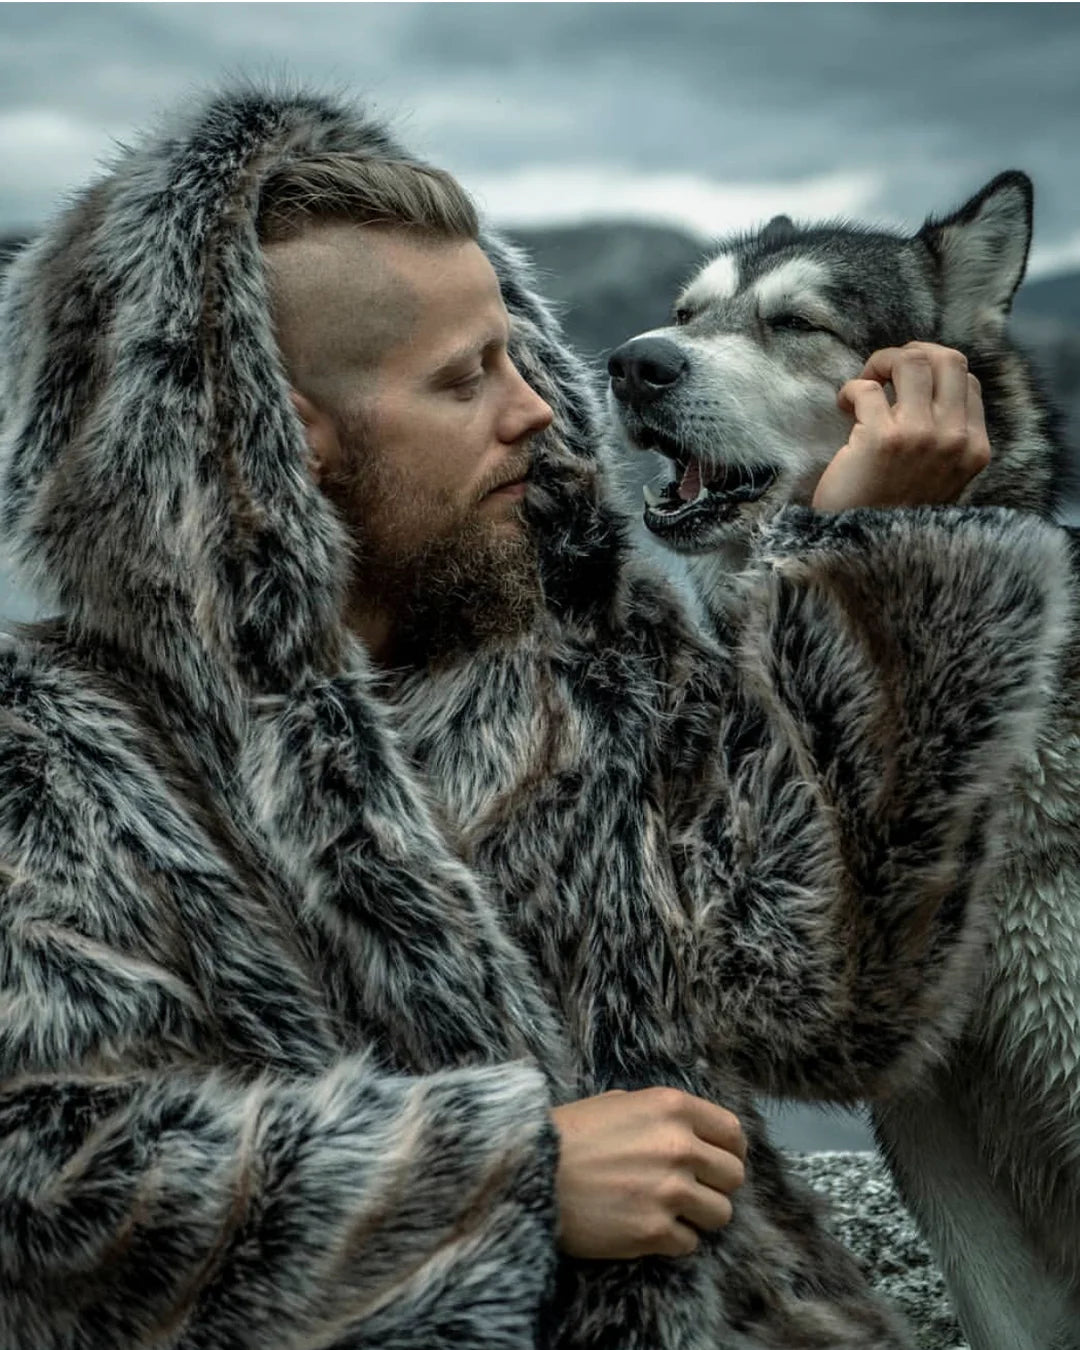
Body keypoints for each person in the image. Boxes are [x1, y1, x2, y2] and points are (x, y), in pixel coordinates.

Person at [0, 86, 1068, 1350]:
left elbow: (829, 1012)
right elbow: (38, 1186)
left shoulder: (602, 662)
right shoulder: (53, 758)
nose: (543, 411)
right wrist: (500, 1181)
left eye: (516, 353)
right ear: (287, 438)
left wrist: (872, 568)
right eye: (467, 379)